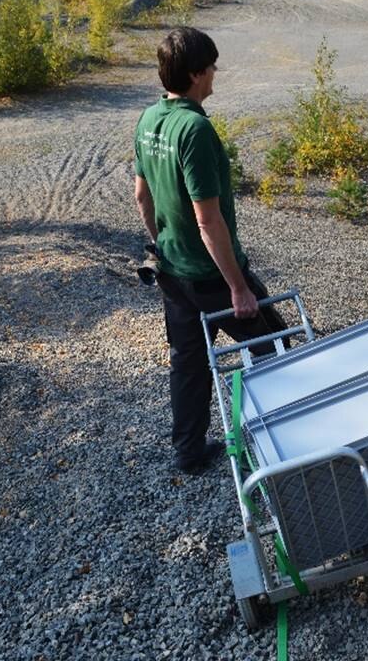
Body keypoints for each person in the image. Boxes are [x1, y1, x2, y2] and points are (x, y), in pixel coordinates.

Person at [133, 27, 285, 474]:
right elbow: (207, 219)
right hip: (211, 275)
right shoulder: (194, 129)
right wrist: (237, 287)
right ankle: (287, 440)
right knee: (275, 347)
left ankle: (190, 452)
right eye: (212, 66)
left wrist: (161, 245)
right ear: (197, 74)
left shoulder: (147, 120)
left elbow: (143, 197)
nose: (216, 73)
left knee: (189, 362)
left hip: (172, 271)